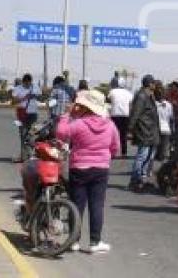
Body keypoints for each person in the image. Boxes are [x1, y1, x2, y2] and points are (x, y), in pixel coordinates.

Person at [55, 89, 120, 254]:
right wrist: (105, 157)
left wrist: (66, 115)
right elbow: (115, 148)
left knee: (77, 205)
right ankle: (95, 242)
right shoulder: (110, 125)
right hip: (101, 169)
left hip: (79, 167)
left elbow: (61, 134)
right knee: (97, 205)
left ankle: (73, 241)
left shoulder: (78, 124)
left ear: (85, 107)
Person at [128, 75, 160, 192]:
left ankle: (142, 178)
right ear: (149, 84)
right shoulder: (142, 96)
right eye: (153, 83)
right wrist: (130, 130)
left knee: (148, 156)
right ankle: (135, 180)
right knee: (142, 156)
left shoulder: (149, 95)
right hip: (144, 130)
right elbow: (135, 114)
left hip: (151, 130)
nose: (155, 85)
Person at [12, 74, 41, 160]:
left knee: (32, 134)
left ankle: (31, 154)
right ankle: (23, 156)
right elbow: (13, 101)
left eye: (29, 83)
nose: (28, 85)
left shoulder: (35, 87)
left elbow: (40, 96)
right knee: (23, 134)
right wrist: (25, 97)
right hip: (22, 113)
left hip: (33, 113)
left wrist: (35, 96)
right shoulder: (18, 88)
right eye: (26, 84)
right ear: (23, 82)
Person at [107, 77, 133, 158]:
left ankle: (112, 153)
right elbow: (131, 103)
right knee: (123, 135)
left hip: (115, 115)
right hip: (126, 115)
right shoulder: (128, 93)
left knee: (114, 134)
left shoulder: (112, 91)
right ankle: (124, 153)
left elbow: (108, 99)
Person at [155, 86, 174, 161]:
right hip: (166, 128)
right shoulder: (169, 105)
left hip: (156, 129)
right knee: (164, 150)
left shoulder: (153, 104)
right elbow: (171, 117)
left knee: (156, 149)